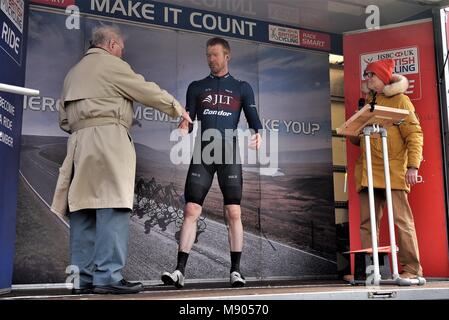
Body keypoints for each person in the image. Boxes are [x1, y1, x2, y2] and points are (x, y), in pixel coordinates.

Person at [50, 25, 192, 294]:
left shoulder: (72, 73)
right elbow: (146, 90)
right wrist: (177, 109)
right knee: (112, 206)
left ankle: (82, 279)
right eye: (122, 48)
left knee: (83, 210)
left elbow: (63, 120)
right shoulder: (112, 65)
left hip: (79, 143)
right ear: (112, 44)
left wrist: (86, 127)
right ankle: (108, 276)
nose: (122, 53)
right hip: (109, 141)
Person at [161, 37, 262, 288]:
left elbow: (253, 118)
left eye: (215, 55)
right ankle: (179, 272)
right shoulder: (196, 87)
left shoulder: (242, 87)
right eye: (208, 55)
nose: (210, 59)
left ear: (227, 56)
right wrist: (184, 125)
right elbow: (189, 118)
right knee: (191, 210)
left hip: (228, 153)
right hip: (204, 152)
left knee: (234, 212)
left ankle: (235, 271)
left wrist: (257, 133)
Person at [348, 59, 424, 280]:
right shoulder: (367, 102)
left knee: (402, 222)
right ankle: (373, 271)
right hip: (368, 172)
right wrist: (356, 121)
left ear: (382, 77)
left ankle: (412, 269)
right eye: (366, 74)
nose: (367, 78)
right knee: (367, 224)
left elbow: (414, 135)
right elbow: (356, 140)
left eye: (370, 74)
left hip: (393, 171)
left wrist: (413, 166)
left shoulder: (401, 101)